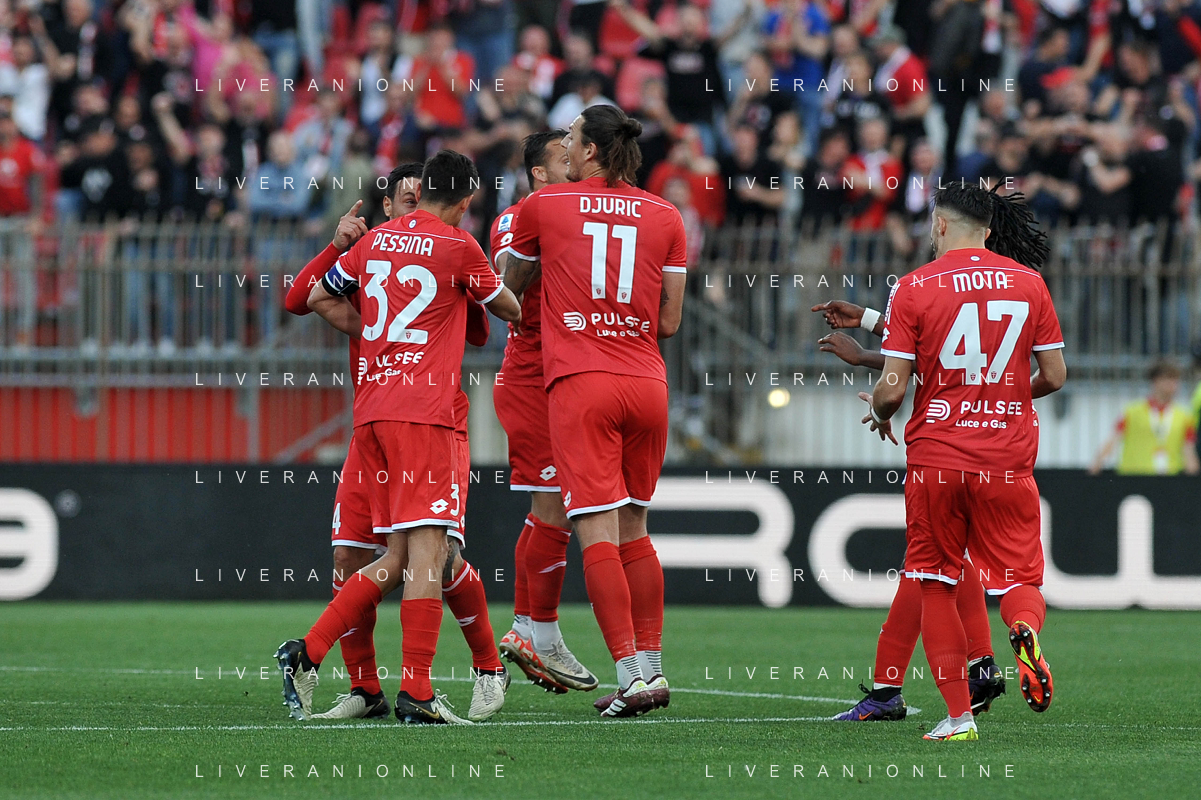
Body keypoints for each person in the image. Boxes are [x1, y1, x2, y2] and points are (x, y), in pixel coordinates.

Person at [276, 151, 522, 725]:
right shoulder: (456, 245)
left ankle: (472, 668)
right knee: (408, 555)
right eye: (401, 198)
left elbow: (313, 297)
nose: (410, 205)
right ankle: (400, 689)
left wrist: (379, 333)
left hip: (383, 412)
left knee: (419, 556)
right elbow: (505, 312)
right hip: (417, 414)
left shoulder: (375, 247)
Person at [811, 189, 1055, 723]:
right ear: (989, 227)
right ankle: (969, 665)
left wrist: (879, 394)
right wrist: (872, 321)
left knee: (931, 572)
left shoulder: (918, 284)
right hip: (1006, 454)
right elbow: (979, 355)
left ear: (940, 225)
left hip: (940, 449)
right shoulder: (1027, 284)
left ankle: (946, 687)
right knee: (972, 572)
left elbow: (932, 359)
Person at [502, 105, 688, 717]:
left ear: (588, 152)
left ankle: (629, 678)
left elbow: (510, 291)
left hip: (583, 382)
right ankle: (654, 671)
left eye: (573, 137)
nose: (567, 146)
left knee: (595, 532)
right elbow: (669, 321)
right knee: (636, 529)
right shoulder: (667, 215)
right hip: (648, 383)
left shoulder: (543, 206)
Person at [490, 130, 598, 694]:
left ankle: (526, 628)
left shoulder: (570, 212)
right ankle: (544, 635)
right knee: (555, 506)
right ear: (538, 172)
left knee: (546, 509)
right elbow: (509, 283)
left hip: (562, 374)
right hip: (532, 378)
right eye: (563, 157)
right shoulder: (518, 218)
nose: (574, 162)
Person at [1090, 361, 1200, 475]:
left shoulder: (1184, 416)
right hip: (1134, 475)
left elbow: (1188, 450)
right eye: (1168, 380)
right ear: (1155, 381)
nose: (1173, 385)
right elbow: (1113, 440)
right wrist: (1098, 462)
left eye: (1175, 381)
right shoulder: (1132, 412)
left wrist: (1193, 476)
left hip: (1169, 477)